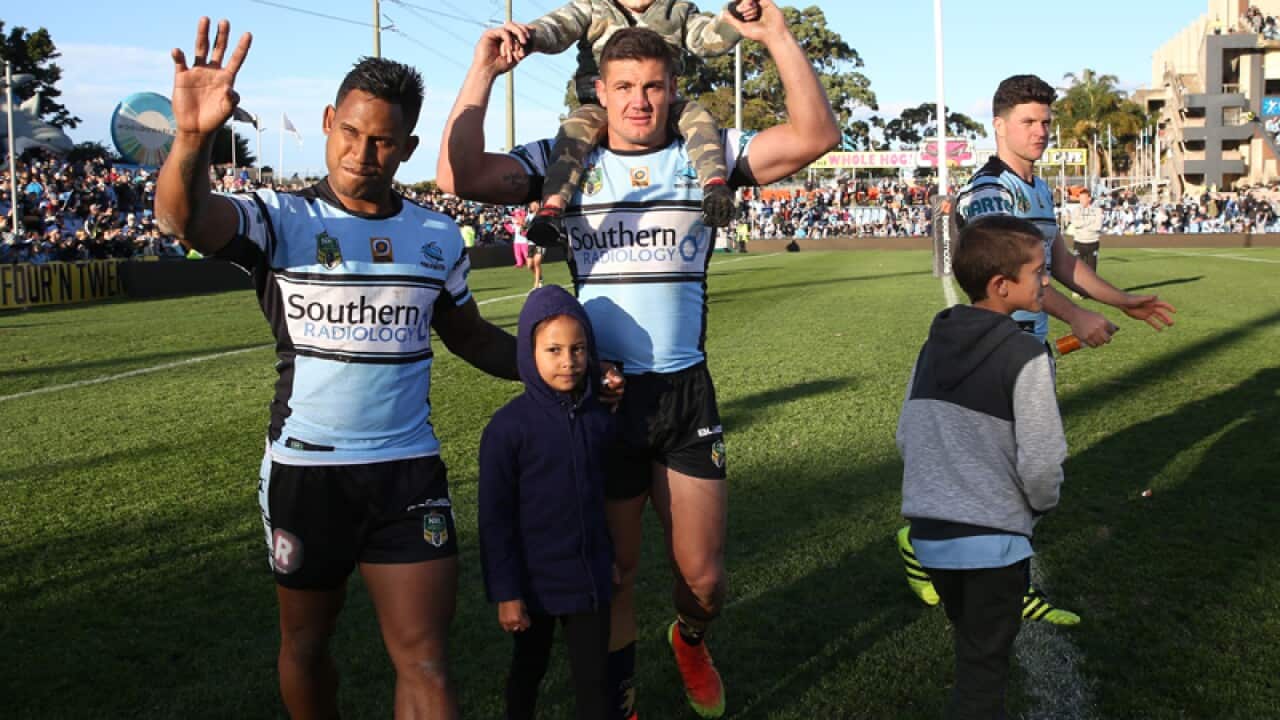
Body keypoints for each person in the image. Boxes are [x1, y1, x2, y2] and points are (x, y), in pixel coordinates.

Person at [437, 5, 839, 717]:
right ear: (600, 90)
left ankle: (690, 637)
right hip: (603, 401)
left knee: (705, 581)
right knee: (615, 574)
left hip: (684, 396)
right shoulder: (564, 162)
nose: (639, 102)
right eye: (624, 87)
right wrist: (482, 73)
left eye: (653, 86)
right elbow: (458, 174)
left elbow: (816, 137)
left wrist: (776, 34)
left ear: (673, 87)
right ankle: (619, 699)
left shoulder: (703, 154)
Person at [154, 18, 522, 719]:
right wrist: (193, 138)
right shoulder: (279, 217)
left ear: (407, 147)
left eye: (382, 140)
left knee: (425, 659)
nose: (361, 152)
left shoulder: (436, 235)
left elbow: (471, 337)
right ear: (328, 121)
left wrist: (554, 367)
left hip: (407, 471)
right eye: (350, 132)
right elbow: (184, 221)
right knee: (307, 646)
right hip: (307, 471)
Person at [897, 74, 1176, 625]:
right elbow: (1008, 273)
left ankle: (948, 551)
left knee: (1019, 467)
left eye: (1046, 121)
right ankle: (951, 555)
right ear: (999, 126)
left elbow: (1061, 263)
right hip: (993, 350)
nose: (1041, 130)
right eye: (1029, 121)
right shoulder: (988, 192)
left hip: (1029, 348)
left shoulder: (1040, 188)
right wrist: (1078, 315)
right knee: (1018, 468)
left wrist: (1122, 301)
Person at [898, 214, 1067, 720]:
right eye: (1038, 271)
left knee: (973, 650)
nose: (1046, 281)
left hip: (932, 539)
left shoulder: (932, 346)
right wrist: (1041, 505)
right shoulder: (1026, 354)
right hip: (992, 547)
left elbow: (906, 435)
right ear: (1001, 285)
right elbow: (1042, 459)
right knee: (983, 675)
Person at [479, 284, 619, 720]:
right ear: (529, 352)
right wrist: (507, 593)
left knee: (594, 681)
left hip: (588, 580)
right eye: (553, 350)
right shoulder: (507, 429)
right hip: (533, 584)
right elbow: (495, 519)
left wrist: (608, 558)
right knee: (528, 671)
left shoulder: (599, 418)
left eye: (578, 349)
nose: (568, 361)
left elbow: (601, 497)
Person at [516, 0, 761, 245]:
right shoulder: (591, 7)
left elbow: (706, 38)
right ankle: (552, 208)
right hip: (599, 105)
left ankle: (715, 187)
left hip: (661, 105)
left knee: (697, 117)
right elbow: (557, 27)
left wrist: (734, 17)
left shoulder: (678, 10)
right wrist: (527, 37)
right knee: (573, 132)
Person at [1066, 187, 1103, 274]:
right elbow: (1075, 224)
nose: (1081, 200)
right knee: (1078, 271)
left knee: (1091, 271)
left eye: (1083, 198)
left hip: (1093, 243)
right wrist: (1090, 221)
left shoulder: (1097, 210)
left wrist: (1082, 224)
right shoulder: (1076, 210)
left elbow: (1097, 226)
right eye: (1080, 198)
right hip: (1079, 243)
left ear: (1089, 198)